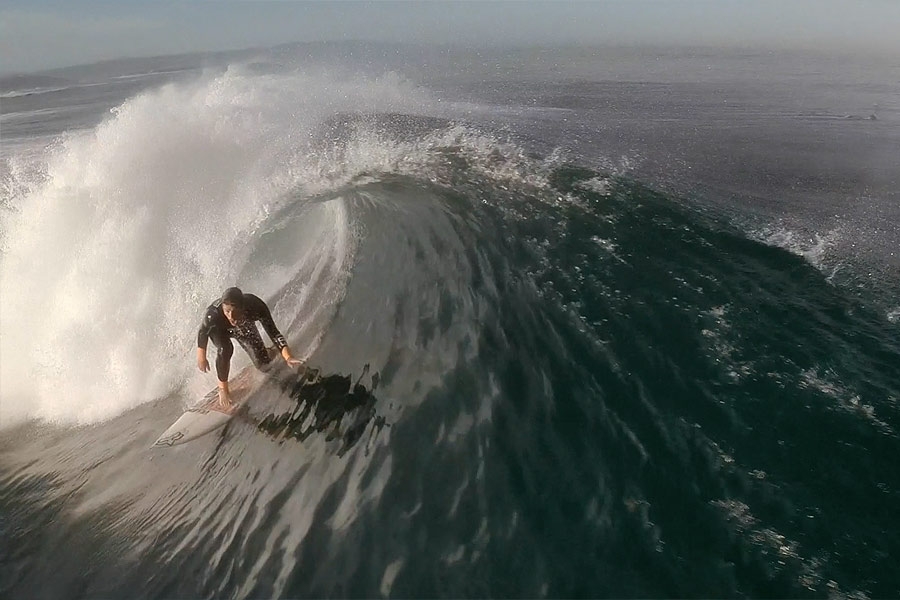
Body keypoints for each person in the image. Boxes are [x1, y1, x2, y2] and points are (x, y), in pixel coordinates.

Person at [196, 287, 303, 408]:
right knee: (226, 349)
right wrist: (201, 357)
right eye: (227, 311)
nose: (231, 316)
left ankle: (271, 351)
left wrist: (288, 357)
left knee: (263, 365)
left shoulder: (255, 306)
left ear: (242, 308)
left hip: (243, 325)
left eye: (234, 312)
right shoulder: (213, 315)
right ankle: (223, 388)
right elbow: (202, 332)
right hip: (219, 330)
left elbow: (273, 332)